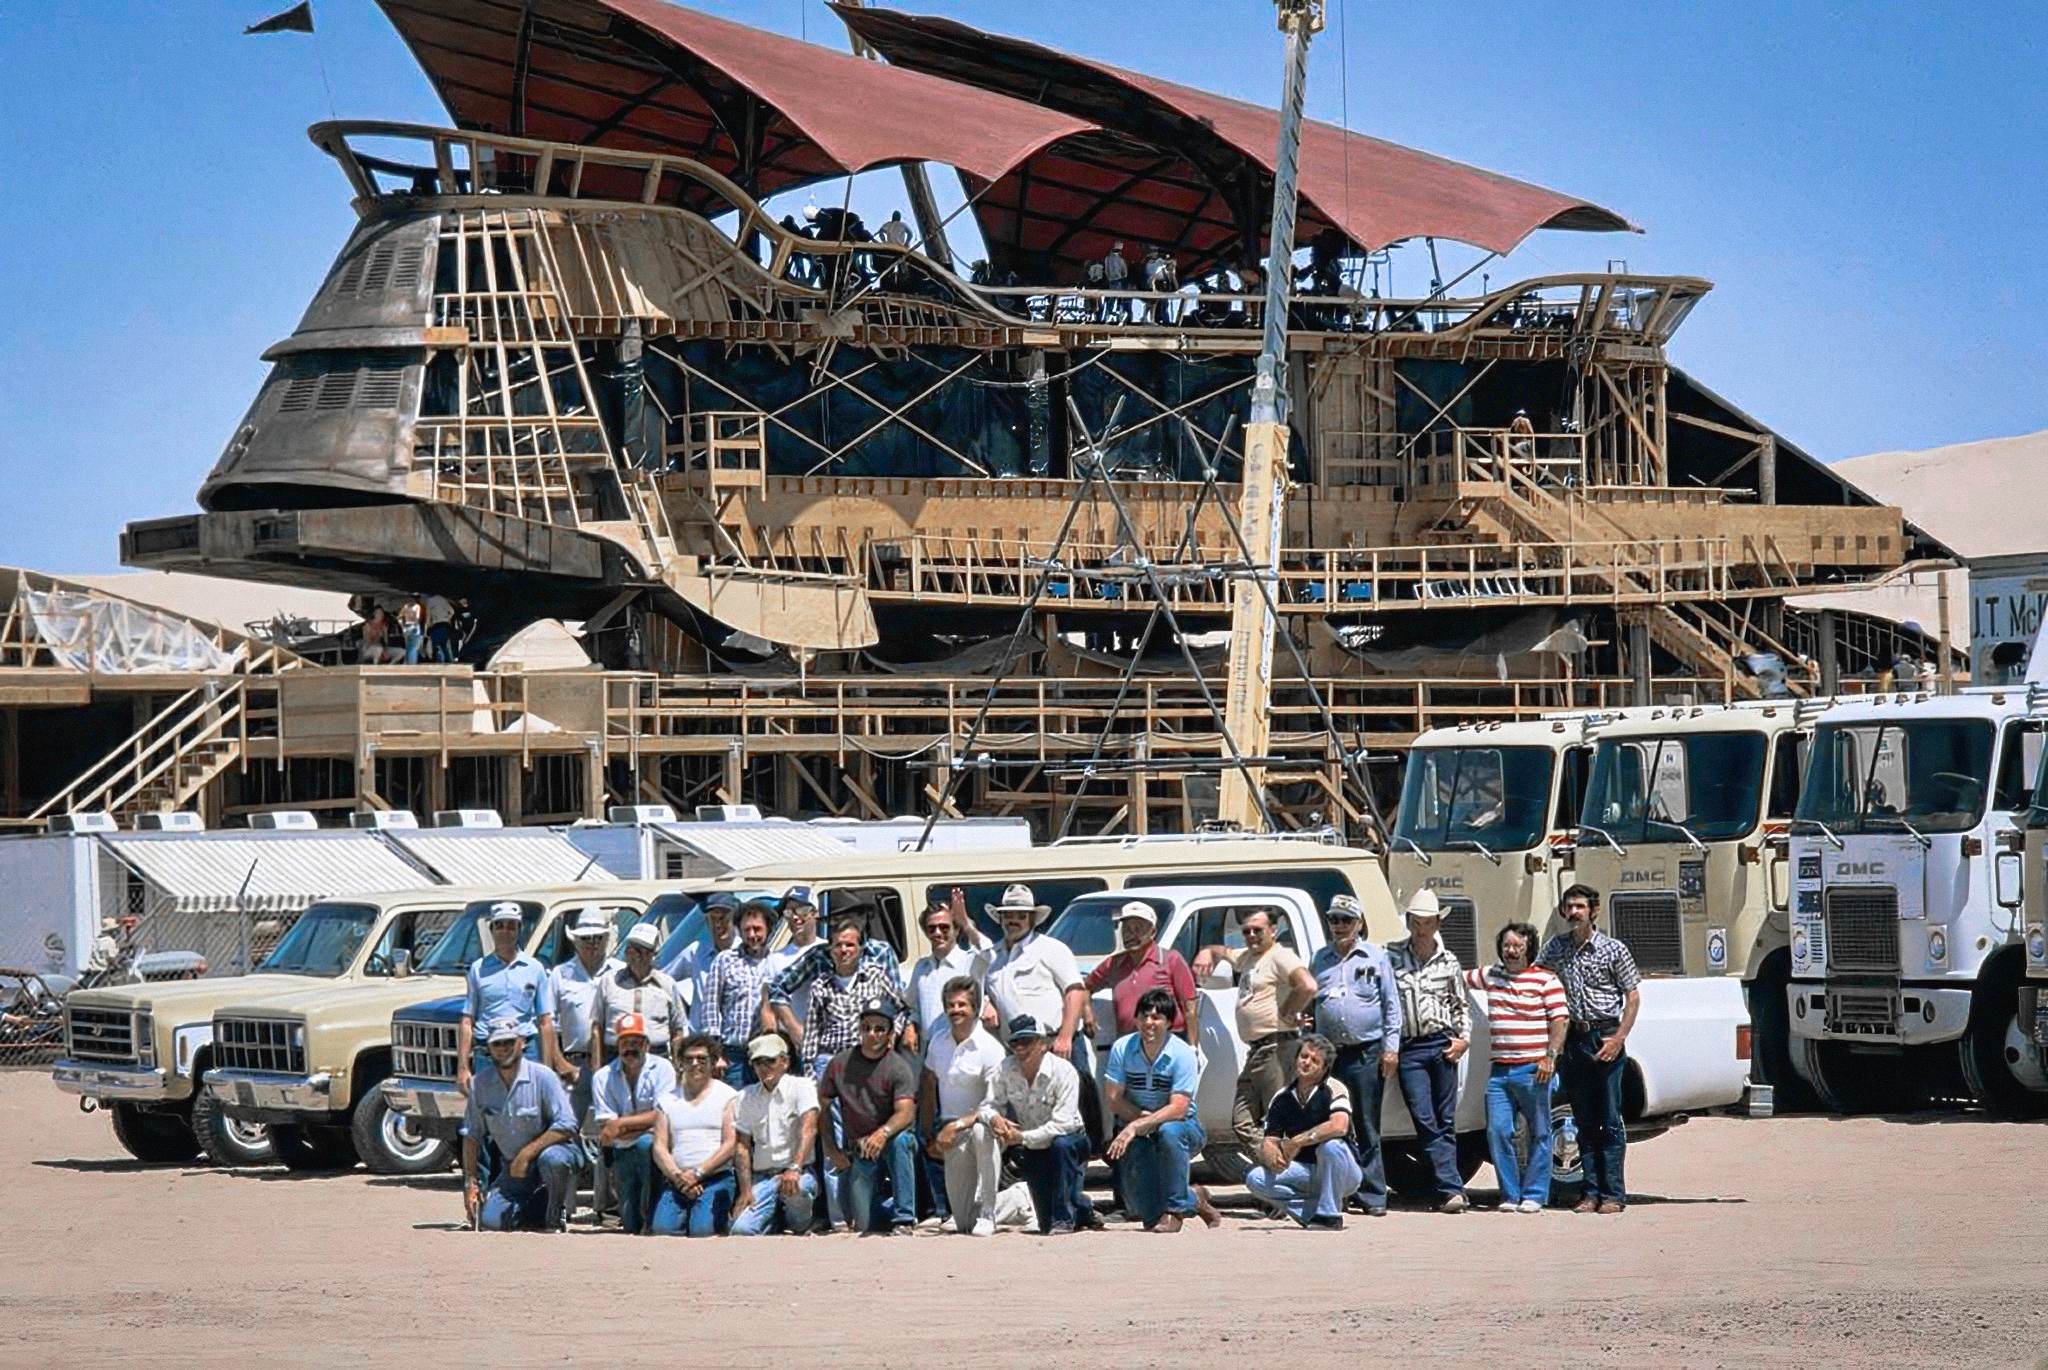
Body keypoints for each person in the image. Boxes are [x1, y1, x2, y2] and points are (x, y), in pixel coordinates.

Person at [1538, 884, 1641, 1215]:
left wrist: (1619, 1038)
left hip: (1605, 1036)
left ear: (1593, 911)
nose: (1573, 912)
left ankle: (1613, 1194)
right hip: (1574, 1041)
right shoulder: (1556, 948)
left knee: (1610, 1120)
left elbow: (1633, 996)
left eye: (1580, 906)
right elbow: (1536, 978)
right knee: (1582, 1122)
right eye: (1569, 907)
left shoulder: (1613, 950)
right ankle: (1590, 1192)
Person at [1190, 906, 1316, 1165]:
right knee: (1242, 1121)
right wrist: (1207, 952)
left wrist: (1289, 1010)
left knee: (1275, 1120)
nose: (1251, 935)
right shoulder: (1249, 957)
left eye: (1258, 930)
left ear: (1273, 930)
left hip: (1276, 1046)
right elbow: (1222, 952)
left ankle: (1289, 1183)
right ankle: (1275, 1169)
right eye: (1246, 931)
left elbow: (1308, 984)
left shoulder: (1281, 957)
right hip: (1257, 1050)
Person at [1309, 892, 1402, 1216]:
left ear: (1359, 924)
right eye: (1334, 919)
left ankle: (1373, 1195)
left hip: (1365, 1052)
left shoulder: (1375, 958)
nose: (1339, 926)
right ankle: (1340, 1191)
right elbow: (1312, 1001)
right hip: (1330, 1055)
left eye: (1346, 920)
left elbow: (1391, 1006)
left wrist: (1391, 1049)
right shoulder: (1319, 959)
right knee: (1334, 1123)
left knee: (1365, 1123)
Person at [1467, 921, 1569, 1213]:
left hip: (1534, 1069)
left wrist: (1550, 1057)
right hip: (1500, 1071)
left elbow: (1560, 1020)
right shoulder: (1491, 975)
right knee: (1498, 1132)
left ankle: (1535, 1194)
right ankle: (1510, 1195)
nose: (1511, 952)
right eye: (1507, 946)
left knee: (1540, 1132)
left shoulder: (1546, 980)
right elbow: (1455, 977)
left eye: (1518, 947)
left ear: (1530, 949)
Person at [1103, 988, 1216, 1233]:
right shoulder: (1122, 1048)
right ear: (1135, 1020)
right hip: (1140, 1121)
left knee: (1169, 1132)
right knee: (1147, 1216)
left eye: (1156, 1017)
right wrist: (1139, 1120)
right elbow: (1114, 1099)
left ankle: (1176, 1210)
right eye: (1143, 1016)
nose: (1148, 1023)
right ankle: (1194, 1198)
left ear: (1169, 1023)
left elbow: (1179, 1108)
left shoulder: (1182, 1053)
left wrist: (1137, 1126)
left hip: (1183, 1126)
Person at [1387, 889, 1472, 1212]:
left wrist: (1463, 1040)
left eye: (1427, 922)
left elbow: (1460, 1004)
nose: (1421, 929)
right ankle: (1451, 1186)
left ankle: (1450, 1189)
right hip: (1409, 1048)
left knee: (1444, 1117)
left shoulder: (1449, 962)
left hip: (1441, 1043)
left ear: (1437, 924)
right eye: (1416, 922)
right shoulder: (1392, 957)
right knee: (1425, 1118)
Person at [462, 1018, 580, 1232]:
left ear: (522, 1042)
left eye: (509, 1042)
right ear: (488, 1047)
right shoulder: (480, 1084)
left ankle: (555, 1215)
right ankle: (537, 1207)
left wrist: (526, 1155)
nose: (503, 1048)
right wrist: (470, 1184)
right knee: (490, 1221)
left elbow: (567, 1124)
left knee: (553, 1160)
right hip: (514, 1168)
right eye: (497, 1044)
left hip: (551, 1156)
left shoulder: (543, 1076)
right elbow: (471, 1135)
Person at [981, 1014, 1095, 1234]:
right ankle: (1082, 1209)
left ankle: (1064, 1220)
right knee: (1044, 1222)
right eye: (1015, 1042)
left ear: (1044, 1044)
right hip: (1032, 1144)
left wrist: (1021, 1138)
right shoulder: (1004, 1069)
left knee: (1061, 1147)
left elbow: (1063, 1124)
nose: (1020, 1047)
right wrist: (994, 1117)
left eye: (1027, 1041)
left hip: (1069, 1139)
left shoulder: (1064, 1071)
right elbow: (987, 1105)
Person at [819, 1000, 920, 1233]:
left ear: (890, 1034)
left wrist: (883, 1133)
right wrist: (833, 1151)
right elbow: (821, 1108)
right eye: (867, 1028)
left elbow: (906, 1112)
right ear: (860, 1029)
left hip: (892, 1139)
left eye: (879, 1029)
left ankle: (904, 1218)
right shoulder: (840, 1064)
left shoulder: (898, 1066)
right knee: (864, 1224)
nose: (872, 1034)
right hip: (860, 1148)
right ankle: (886, 1208)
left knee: (903, 1142)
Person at [982, 884, 1093, 1094]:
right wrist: (988, 1003)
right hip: (1017, 1051)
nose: (1013, 920)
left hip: (1056, 1045)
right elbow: (986, 990)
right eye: (1008, 915)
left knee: (1077, 1114)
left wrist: (1065, 1037)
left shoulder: (1052, 949)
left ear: (1032, 919)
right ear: (1000, 919)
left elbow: (1075, 992)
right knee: (1027, 1116)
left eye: (1021, 915)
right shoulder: (991, 957)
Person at [1245, 1033, 1362, 1229]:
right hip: (1305, 1171)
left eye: (1315, 1060)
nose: (1306, 1063)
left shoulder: (1333, 1088)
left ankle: (1330, 1214)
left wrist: (1298, 1141)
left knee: (1331, 1147)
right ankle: (1311, 1213)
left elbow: (1339, 1125)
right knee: (1255, 1179)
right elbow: (1270, 1140)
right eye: (1304, 1056)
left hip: (1344, 1171)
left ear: (1325, 1068)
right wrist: (1271, 1156)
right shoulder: (1282, 1098)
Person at [919, 978, 1004, 1235]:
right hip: (950, 1131)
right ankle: (1018, 1199)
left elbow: (993, 1105)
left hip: (983, 1127)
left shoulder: (991, 1049)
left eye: (962, 1004)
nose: (955, 1010)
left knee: (982, 1130)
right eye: (950, 1005)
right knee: (964, 1222)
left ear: (975, 1008)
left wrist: (957, 1125)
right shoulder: (937, 1042)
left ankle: (989, 1214)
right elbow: (929, 1085)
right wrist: (929, 1132)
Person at [457, 901, 558, 1097]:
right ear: (492, 929)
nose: (506, 931)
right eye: (500, 925)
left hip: (526, 1052)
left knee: (528, 1111)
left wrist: (547, 1070)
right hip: (487, 1054)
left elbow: (545, 1022)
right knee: (490, 1114)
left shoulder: (535, 969)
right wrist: (462, 1067)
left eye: (511, 926)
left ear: (520, 929)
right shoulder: (478, 969)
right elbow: (467, 1020)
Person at [590, 1012, 677, 1234]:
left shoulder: (663, 1068)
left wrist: (621, 1125)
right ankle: (621, 1213)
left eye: (636, 1042)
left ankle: (654, 1213)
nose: (631, 1047)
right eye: (625, 1042)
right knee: (630, 1225)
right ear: (617, 1046)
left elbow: (664, 1115)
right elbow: (606, 1127)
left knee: (645, 1144)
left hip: (654, 1145)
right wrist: (631, 1125)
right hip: (622, 1149)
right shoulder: (602, 1077)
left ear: (647, 1044)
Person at [649, 1033, 739, 1236]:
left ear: (713, 1062)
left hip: (716, 1177)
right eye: (688, 1059)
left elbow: (730, 1144)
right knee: (663, 1230)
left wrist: (698, 1173)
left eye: (701, 1058)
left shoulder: (728, 1097)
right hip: (677, 1180)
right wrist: (679, 1177)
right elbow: (660, 1146)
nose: (695, 1064)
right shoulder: (666, 1101)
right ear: (680, 1063)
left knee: (703, 1231)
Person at [731, 1032, 820, 1236]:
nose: (763, 1068)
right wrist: (745, 1190)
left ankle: (800, 1224)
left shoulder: (802, 1087)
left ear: (785, 1062)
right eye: (758, 1062)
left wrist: (795, 1168)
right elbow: (742, 1146)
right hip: (763, 1177)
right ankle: (775, 1220)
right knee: (741, 1230)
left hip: (798, 1171)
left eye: (770, 1061)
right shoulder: (745, 1097)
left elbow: (809, 1129)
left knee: (800, 1189)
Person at [1084, 900, 1198, 1044]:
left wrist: (1193, 1047)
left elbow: (1190, 1008)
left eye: (1138, 928)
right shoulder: (1114, 964)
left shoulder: (1170, 960)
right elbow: (1084, 987)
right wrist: (1087, 1012)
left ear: (1152, 932)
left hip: (1168, 1040)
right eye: (1126, 929)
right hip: (1129, 1042)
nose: (1130, 935)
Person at [700, 900, 779, 1086]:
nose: (752, 935)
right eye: (747, 929)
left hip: (767, 1051)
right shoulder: (725, 960)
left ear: (768, 929)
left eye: (757, 929)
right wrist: (716, 1054)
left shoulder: (776, 963)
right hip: (733, 1053)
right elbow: (710, 1007)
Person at [905, 890, 990, 1055]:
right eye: (932, 928)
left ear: (956, 930)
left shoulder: (971, 961)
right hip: (929, 1053)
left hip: (965, 1050)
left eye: (944, 927)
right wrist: (910, 1024)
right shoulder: (922, 968)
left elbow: (991, 953)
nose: (937, 933)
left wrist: (966, 923)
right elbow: (911, 1005)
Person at [548, 907, 612, 1121]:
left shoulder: (619, 973)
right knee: (566, 1128)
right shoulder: (560, 975)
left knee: (611, 1130)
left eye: (598, 938)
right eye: (586, 939)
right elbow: (547, 1024)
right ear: (575, 941)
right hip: (575, 1064)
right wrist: (560, 1064)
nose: (593, 944)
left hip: (613, 1063)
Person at [594, 923, 689, 1064]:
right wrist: (598, 1070)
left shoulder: (667, 985)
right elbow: (597, 1029)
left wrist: (677, 1069)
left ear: (650, 954)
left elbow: (677, 1032)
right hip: (617, 1057)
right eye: (629, 947)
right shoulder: (609, 982)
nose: (629, 953)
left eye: (637, 949)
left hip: (656, 1057)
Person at [663, 892, 738, 1025]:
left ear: (736, 920)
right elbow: (663, 980)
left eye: (723, 918)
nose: (718, 925)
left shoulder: (745, 954)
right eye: (712, 919)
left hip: (732, 1038)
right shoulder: (697, 952)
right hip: (701, 1039)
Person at [423, 592, 457, 662]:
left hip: (436, 625)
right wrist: (447, 618)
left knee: (435, 645)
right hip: (445, 624)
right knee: (444, 645)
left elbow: (428, 617)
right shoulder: (443, 599)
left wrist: (426, 631)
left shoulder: (430, 601)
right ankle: (447, 661)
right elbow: (452, 611)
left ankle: (436, 661)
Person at [397, 596, 425, 665]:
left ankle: (407, 662)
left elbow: (399, 617)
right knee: (413, 647)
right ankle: (412, 664)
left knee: (408, 646)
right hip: (414, 628)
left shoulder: (406, 606)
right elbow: (417, 618)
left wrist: (402, 626)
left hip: (406, 628)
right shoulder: (417, 606)